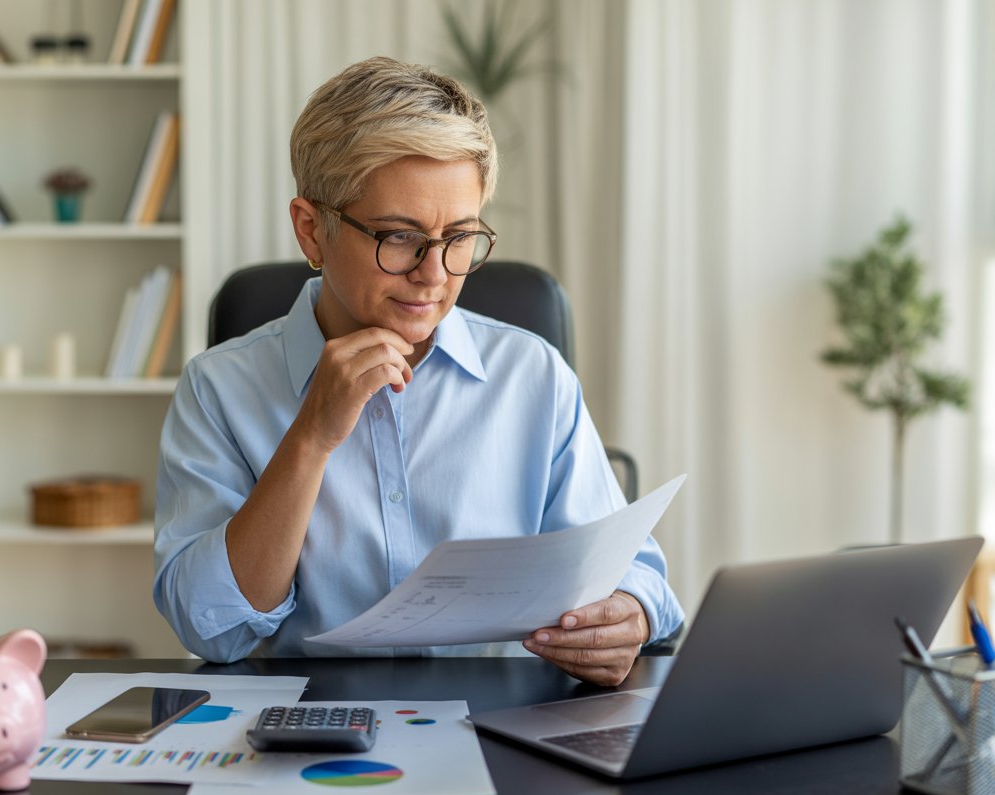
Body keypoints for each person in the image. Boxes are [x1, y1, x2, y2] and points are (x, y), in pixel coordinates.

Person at [154, 56, 683, 687]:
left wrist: (627, 615)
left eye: (459, 236)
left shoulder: (532, 376)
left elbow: (639, 576)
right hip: (304, 730)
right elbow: (210, 628)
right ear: (311, 230)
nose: (434, 274)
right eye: (398, 237)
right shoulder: (218, 388)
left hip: (503, 728)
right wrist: (312, 437)